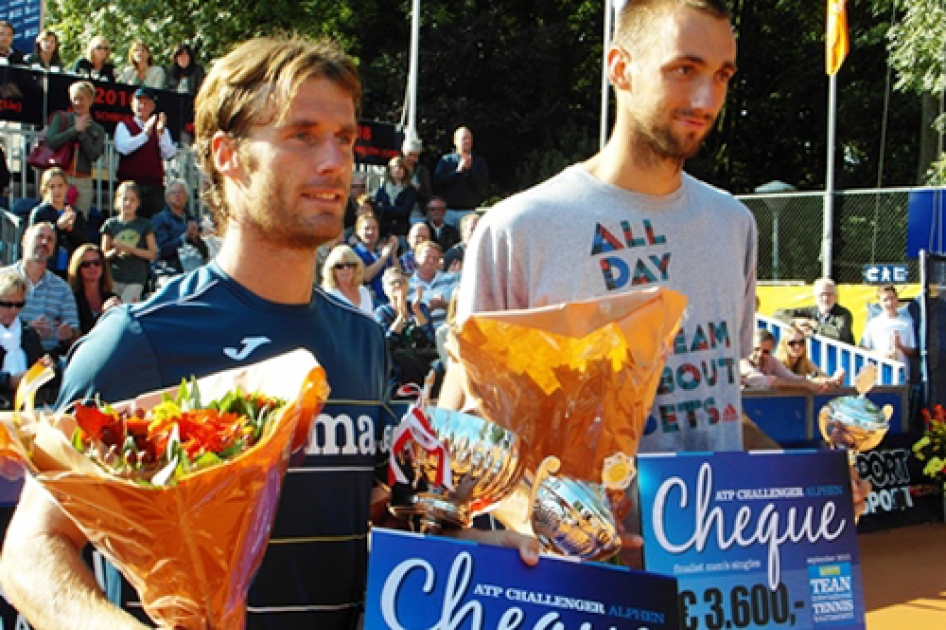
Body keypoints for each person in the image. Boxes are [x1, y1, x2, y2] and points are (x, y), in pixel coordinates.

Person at [0, 35, 536, 630]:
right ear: (228, 154)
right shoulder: (140, 340)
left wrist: (472, 551)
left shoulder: (362, 342)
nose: (335, 163)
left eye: (344, 139)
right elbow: (30, 550)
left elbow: (370, 519)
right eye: (302, 135)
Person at [444, 0, 868, 519]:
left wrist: (812, 486)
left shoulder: (733, 224)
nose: (706, 98)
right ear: (620, 67)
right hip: (581, 580)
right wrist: (553, 524)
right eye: (684, 69)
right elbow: (465, 432)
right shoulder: (518, 229)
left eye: (722, 75)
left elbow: (719, 415)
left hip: (717, 566)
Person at [3, 222, 80, 357]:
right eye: (40, 236)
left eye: (50, 240)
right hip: (8, 354)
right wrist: (27, 330)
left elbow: (75, 331)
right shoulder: (3, 279)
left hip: (48, 359)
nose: (44, 242)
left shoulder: (62, 288)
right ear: (24, 241)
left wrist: (68, 333)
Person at [42, 80, 107, 218]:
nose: (78, 103)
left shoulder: (97, 129)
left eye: (81, 99)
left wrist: (82, 134)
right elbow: (51, 142)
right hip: (60, 177)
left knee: (79, 221)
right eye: (75, 99)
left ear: (90, 100)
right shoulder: (62, 119)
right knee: (54, 216)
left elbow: (94, 155)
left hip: (83, 180)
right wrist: (73, 131)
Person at [114, 86, 177, 218]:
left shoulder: (161, 129)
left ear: (153, 106)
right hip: (130, 185)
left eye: (146, 102)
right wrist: (145, 135)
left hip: (154, 186)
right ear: (132, 105)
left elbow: (170, 154)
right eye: (139, 102)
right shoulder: (124, 125)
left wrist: (160, 134)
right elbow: (123, 148)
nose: (142, 105)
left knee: (154, 225)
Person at [0, 269, 55, 408]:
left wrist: (46, 367)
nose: (13, 310)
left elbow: (40, 366)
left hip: (25, 407)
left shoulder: (28, 333)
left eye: (19, 305)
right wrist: (8, 381)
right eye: (7, 304)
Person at [375, 267, 437, 387]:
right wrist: (401, 317)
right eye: (393, 283)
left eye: (402, 282)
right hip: (398, 362)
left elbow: (430, 340)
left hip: (421, 357)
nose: (398, 285)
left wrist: (417, 311)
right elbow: (387, 344)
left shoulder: (420, 307)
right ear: (385, 289)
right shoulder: (381, 312)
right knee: (400, 357)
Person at [101, 181, 157, 303]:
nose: (128, 203)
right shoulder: (110, 225)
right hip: (114, 277)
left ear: (138, 203)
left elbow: (152, 254)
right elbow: (103, 255)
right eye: (124, 199)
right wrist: (116, 250)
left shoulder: (145, 225)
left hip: (136, 278)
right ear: (117, 200)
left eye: (132, 200)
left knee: (127, 309)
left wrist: (129, 249)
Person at [28, 167, 90, 277]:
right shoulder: (40, 212)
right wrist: (57, 227)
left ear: (66, 187)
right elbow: (33, 243)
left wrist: (71, 229)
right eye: (52, 187)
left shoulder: (75, 213)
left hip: (70, 268)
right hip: (47, 267)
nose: (57, 191)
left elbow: (84, 243)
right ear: (44, 190)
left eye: (60, 186)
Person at [741, 329, 832, 393]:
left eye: (765, 351)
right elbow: (765, 381)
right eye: (756, 349)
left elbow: (791, 377)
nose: (760, 354)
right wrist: (806, 384)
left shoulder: (771, 361)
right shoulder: (742, 361)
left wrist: (824, 382)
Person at [151, 179, 208, 280]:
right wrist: (184, 237)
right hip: (169, 272)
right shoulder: (159, 219)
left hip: (193, 271)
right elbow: (162, 250)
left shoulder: (193, 220)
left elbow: (204, 253)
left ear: (186, 197)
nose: (178, 195)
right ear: (167, 198)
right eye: (173, 192)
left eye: (181, 192)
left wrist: (195, 239)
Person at [433, 126, 489, 227]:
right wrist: (457, 172)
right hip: (448, 212)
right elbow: (438, 183)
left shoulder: (479, 162)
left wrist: (470, 171)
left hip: (469, 211)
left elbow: (482, 187)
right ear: (455, 141)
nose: (467, 141)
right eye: (464, 138)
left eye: (469, 138)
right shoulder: (446, 160)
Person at [774, 278, 855, 344]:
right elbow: (778, 314)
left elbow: (839, 334)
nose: (825, 298)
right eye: (822, 294)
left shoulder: (844, 314)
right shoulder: (811, 311)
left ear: (835, 297)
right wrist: (795, 322)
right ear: (815, 297)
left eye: (829, 294)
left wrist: (813, 325)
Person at [861, 284, 917, 380]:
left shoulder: (907, 323)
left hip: (902, 375)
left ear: (897, 299)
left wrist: (900, 346)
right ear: (879, 302)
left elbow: (914, 352)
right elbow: (864, 349)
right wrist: (882, 355)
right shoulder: (873, 324)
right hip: (879, 375)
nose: (890, 303)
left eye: (892, 298)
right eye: (885, 300)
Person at [67, 243, 120, 335]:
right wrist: (104, 313)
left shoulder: (112, 298)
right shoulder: (71, 299)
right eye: (86, 264)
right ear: (78, 269)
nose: (92, 267)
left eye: (97, 263)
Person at [408, 240, 459, 329]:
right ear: (416, 258)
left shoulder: (451, 279)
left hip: (449, 330)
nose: (431, 261)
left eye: (435, 258)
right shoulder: (407, 285)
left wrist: (445, 305)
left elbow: (461, 307)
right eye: (427, 257)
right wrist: (426, 309)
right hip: (422, 334)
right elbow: (407, 316)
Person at [775, 323, 845, 387]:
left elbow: (823, 376)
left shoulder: (805, 362)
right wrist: (831, 380)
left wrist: (836, 381)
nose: (797, 346)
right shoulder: (777, 363)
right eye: (792, 343)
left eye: (801, 342)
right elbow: (797, 383)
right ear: (784, 345)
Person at [352, 213, 399, 305]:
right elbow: (366, 276)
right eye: (366, 229)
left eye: (374, 228)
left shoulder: (379, 253)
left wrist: (393, 253)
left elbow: (398, 274)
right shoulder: (354, 253)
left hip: (390, 300)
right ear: (358, 231)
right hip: (370, 302)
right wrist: (384, 257)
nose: (371, 232)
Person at [321, 243, 374, 315]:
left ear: (356, 268)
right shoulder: (327, 296)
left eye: (350, 265)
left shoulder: (364, 292)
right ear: (332, 270)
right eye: (339, 266)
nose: (345, 269)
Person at [373, 155, 416, 238]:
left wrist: (385, 208)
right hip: (383, 231)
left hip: (401, 231)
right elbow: (377, 208)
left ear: (405, 171)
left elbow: (404, 211)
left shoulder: (410, 190)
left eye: (400, 167)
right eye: (394, 167)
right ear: (389, 170)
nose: (397, 170)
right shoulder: (382, 189)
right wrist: (394, 209)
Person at [401, 136, 432, 218]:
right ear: (404, 153)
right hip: (400, 210)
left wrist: (417, 191)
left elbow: (428, 194)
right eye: (410, 155)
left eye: (415, 156)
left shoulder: (422, 171)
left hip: (418, 212)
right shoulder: (396, 168)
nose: (412, 158)